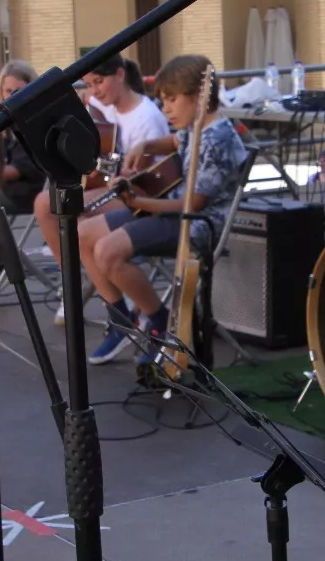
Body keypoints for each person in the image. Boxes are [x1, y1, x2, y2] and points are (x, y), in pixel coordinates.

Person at [81, 54, 248, 376]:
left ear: (199, 97)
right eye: (162, 101)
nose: (166, 109)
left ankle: (157, 323)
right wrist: (144, 146)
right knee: (84, 234)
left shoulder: (218, 138)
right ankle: (122, 319)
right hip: (171, 214)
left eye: (172, 100)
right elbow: (173, 141)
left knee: (107, 250)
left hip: (196, 227)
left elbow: (192, 206)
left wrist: (136, 202)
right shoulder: (196, 127)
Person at [32, 51, 169, 328]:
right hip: (109, 186)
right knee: (45, 204)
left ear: (120, 74)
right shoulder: (101, 102)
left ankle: (118, 305)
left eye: (99, 82)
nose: (94, 90)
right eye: (89, 84)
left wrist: (110, 171)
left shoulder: (147, 118)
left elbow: (147, 178)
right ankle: (72, 278)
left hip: (141, 196)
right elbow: (85, 109)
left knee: (73, 218)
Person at [0, 60, 46, 214]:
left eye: (17, 91)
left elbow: (13, 172)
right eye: (8, 91)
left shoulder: (36, 122)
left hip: (29, 195)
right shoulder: (6, 123)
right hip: (10, 191)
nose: (11, 96)